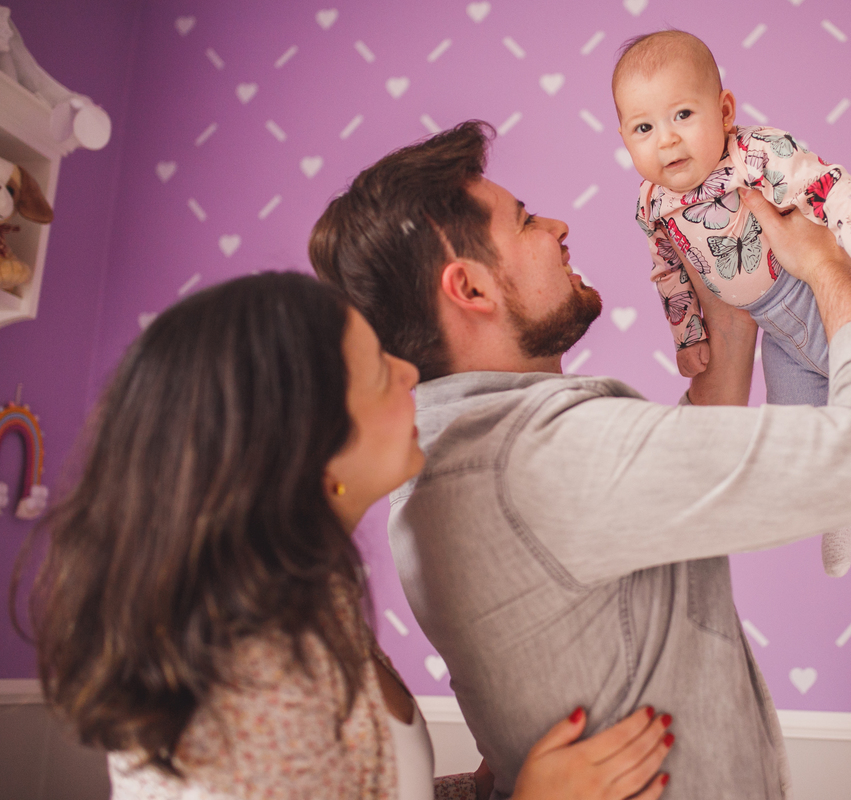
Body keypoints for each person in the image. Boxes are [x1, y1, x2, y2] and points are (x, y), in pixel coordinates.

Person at [309, 120, 851, 799]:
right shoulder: (544, 456)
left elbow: (645, 505)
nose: (556, 226)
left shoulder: (464, 458)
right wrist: (827, 266)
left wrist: (726, 313)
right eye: (525, 221)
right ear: (470, 289)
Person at [17, 273, 673, 800]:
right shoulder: (250, 696)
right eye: (378, 371)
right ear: (307, 445)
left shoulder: (306, 599)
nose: (410, 374)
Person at [613, 30, 851, 577]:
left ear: (725, 110)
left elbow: (827, 186)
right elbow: (668, 271)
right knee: (798, 429)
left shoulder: (759, 155)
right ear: (623, 137)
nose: (666, 141)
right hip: (774, 333)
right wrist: (689, 337)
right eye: (644, 128)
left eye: (683, 115)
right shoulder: (651, 204)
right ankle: (835, 516)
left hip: (814, 299)